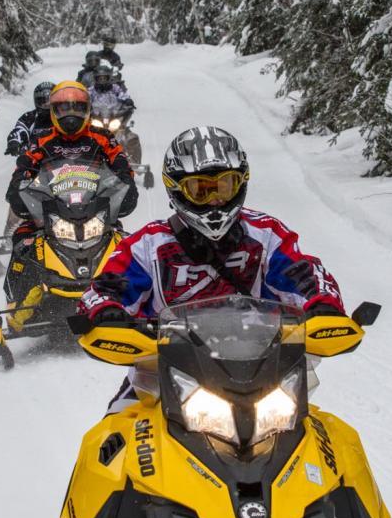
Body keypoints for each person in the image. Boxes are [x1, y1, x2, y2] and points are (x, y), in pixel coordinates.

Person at [78, 125, 344, 410]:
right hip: (159, 377)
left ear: (240, 184)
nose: (215, 200)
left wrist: (322, 304)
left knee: (328, 437)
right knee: (111, 437)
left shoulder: (266, 235)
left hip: (263, 373)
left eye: (224, 185)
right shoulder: (148, 244)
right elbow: (108, 286)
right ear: (177, 189)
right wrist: (107, 310)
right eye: (201, 189)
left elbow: (303, 274)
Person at [3, 81, 138, 323]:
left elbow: (120, 161)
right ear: (53, 112)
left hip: (94, 207)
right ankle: (18, 306)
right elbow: (25, 165)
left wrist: (125, 181)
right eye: (64, 109)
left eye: (76, 108)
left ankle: (138, 296)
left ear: (86, 109)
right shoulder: (42, 141)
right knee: (23, 242)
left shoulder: (101, 137)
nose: (71, 115)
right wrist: (19, 184)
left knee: (126, 242)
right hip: (53, 208)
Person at [5, 81, 54, 156]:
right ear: (37, 101)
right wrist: (14, 141)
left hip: (63, 158)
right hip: (33, 162)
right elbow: (20, 129)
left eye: (51, 101)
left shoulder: (63, 115)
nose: (47, 105)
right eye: (43, 101)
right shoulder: (30, 117)